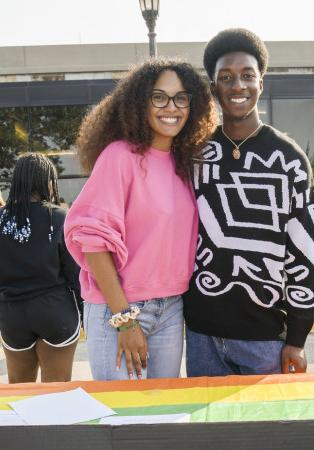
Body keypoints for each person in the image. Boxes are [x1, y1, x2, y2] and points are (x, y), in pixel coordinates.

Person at [65, 58, 216, 381]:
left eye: (181, 98)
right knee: (124, 422)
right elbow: (93, 242)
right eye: (158, 97)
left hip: (171, 308)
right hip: (118, 307)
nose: (170, 107)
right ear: (139, 103)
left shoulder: (184, 163)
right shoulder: (120, 156)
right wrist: (125, 319)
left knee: (162, 416)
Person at [185, 28, 314, 377]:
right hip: (201, 335)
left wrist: (298, 337)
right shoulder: (194, 154)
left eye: (247, 75)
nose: (237, 86)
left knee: (269, 432)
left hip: (266, 338)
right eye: (225, 77)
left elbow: (304, 250)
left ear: (262, 82)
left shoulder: (289, 158)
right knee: (210, 431)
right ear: (213, 88)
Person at [0, 153, 82, 383]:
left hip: (12, 314)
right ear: (49, 181)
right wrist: (85, 312)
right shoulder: (59, 217)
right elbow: (76, 275)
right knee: (56, 391)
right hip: (55, 312)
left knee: (19, 389)